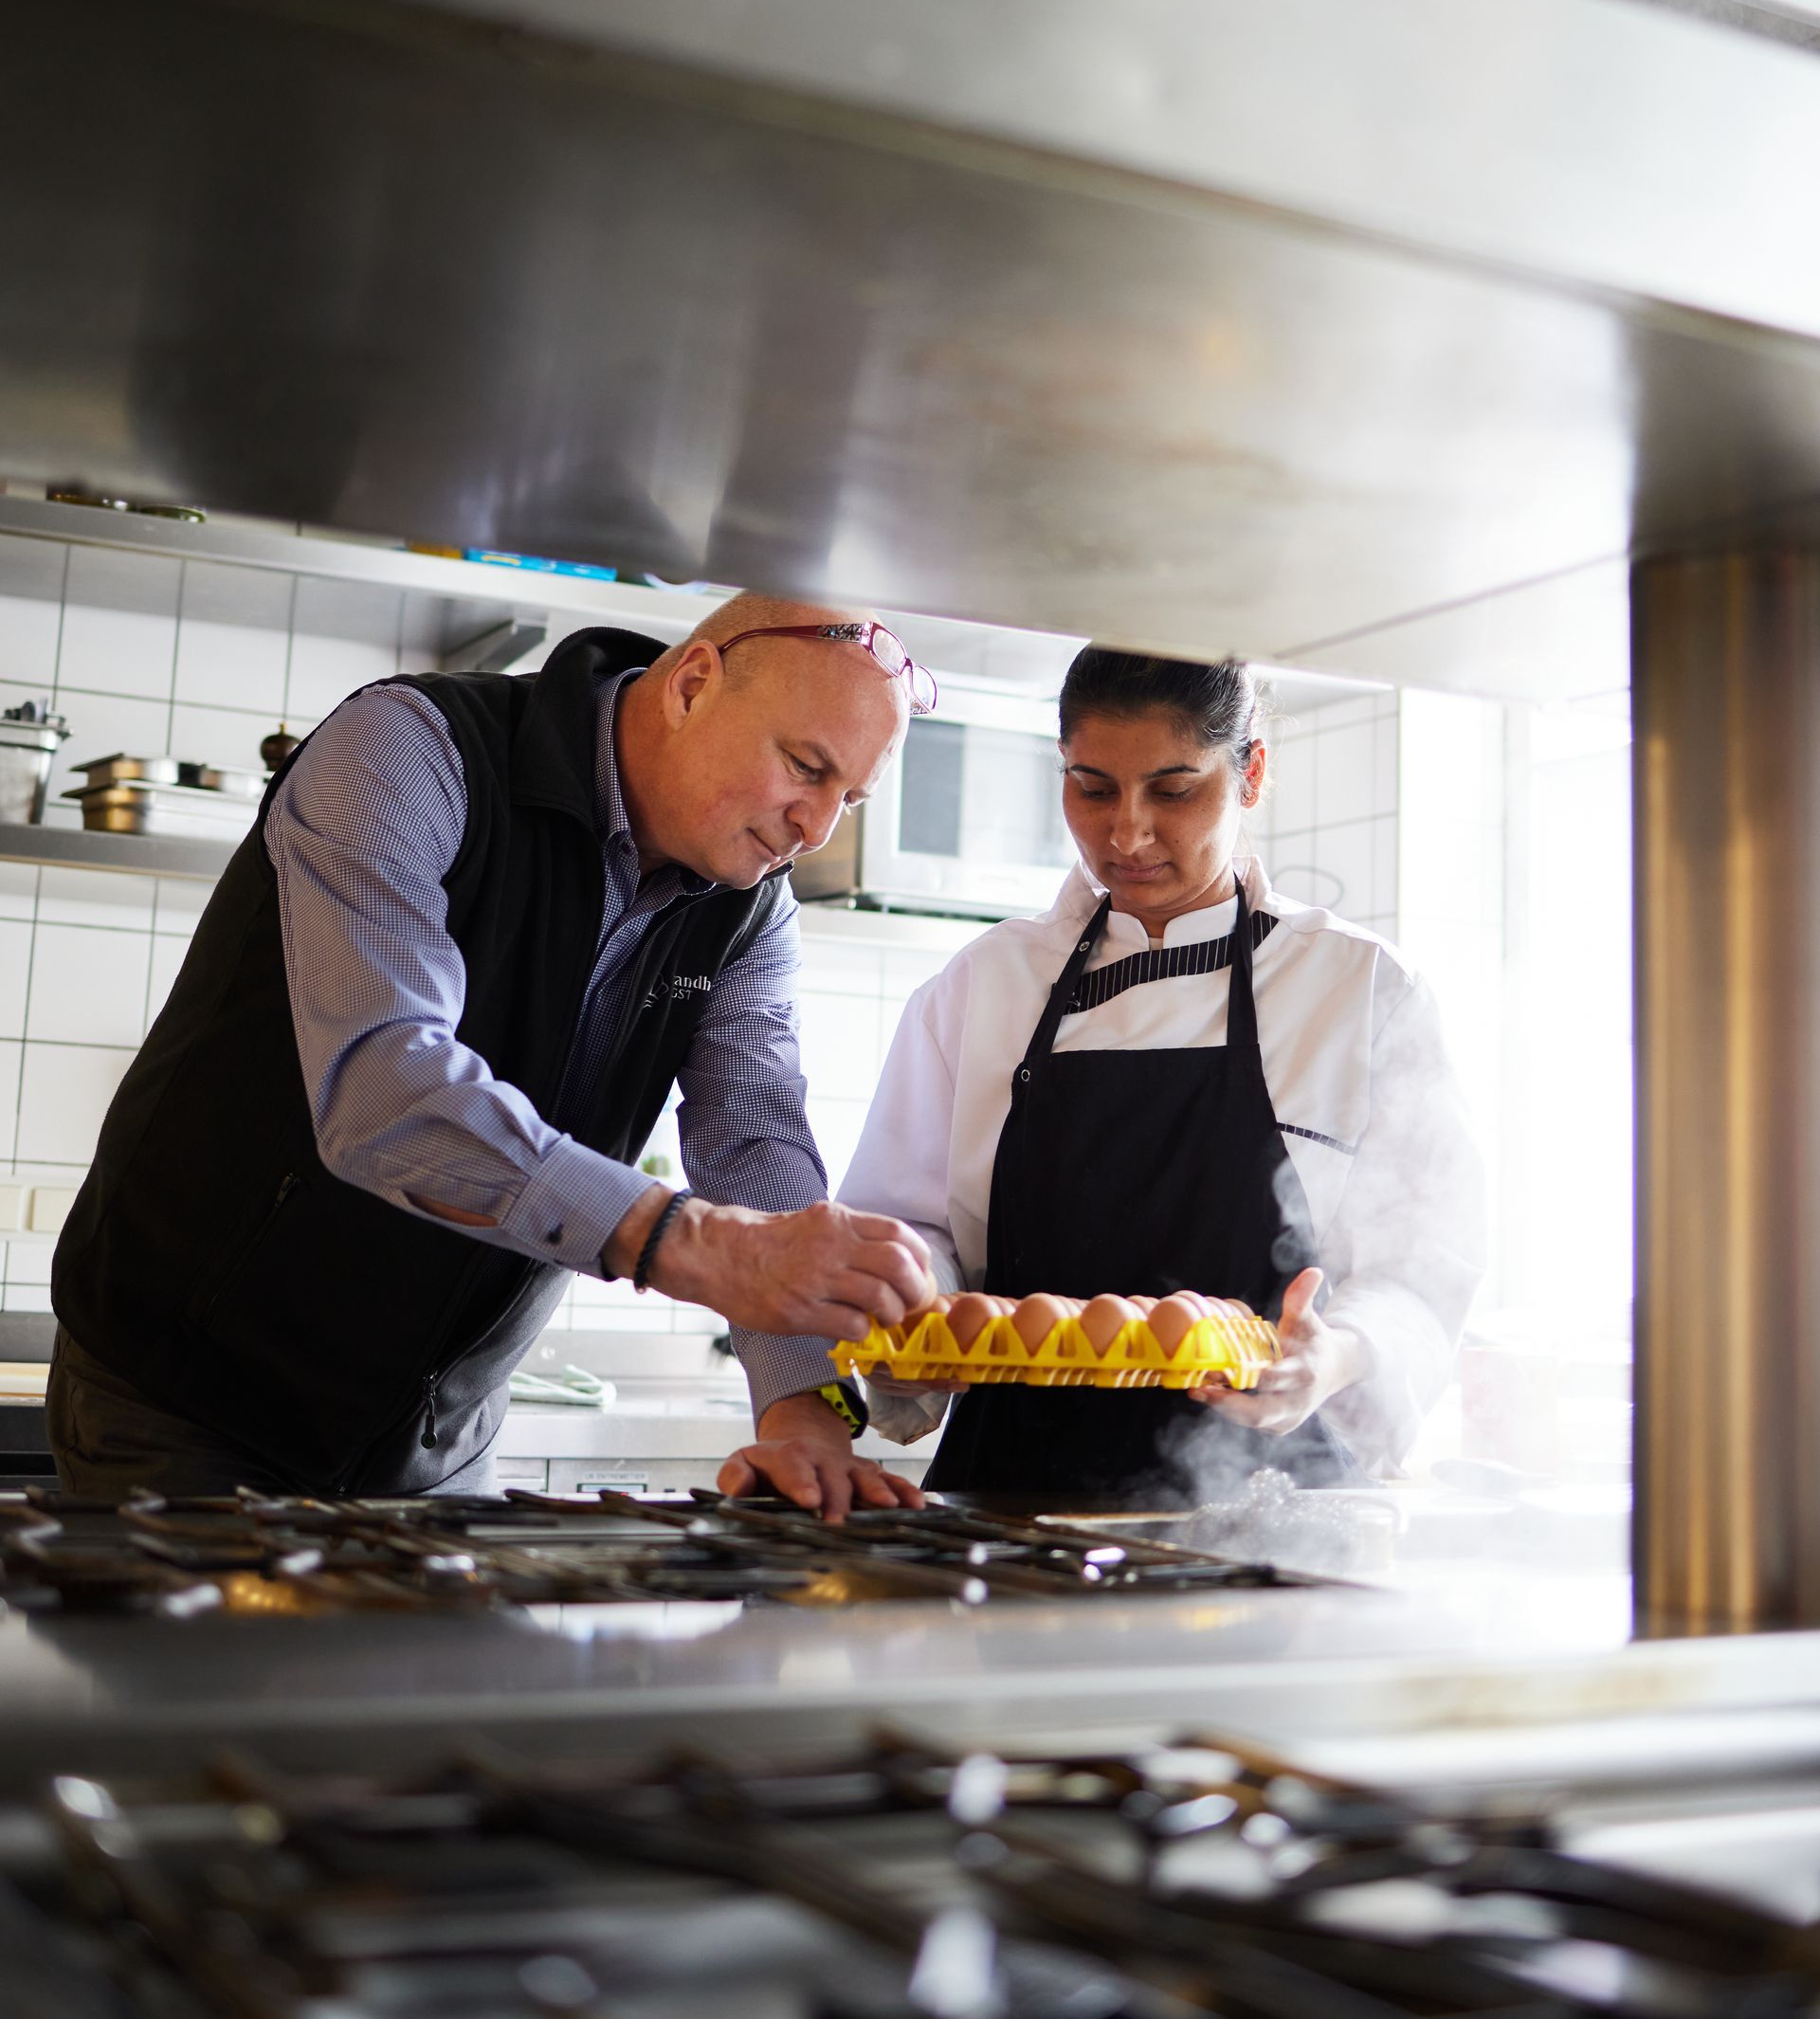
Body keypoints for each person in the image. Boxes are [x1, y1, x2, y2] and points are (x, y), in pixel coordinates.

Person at [48, 597, 940, 1509]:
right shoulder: (405, 749)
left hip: (439, 1450)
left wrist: (805, 1406)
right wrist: (682, 1240)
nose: (818, 827)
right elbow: (383, 1083)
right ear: (695, 684)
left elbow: (753, 1138)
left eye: (851, 798)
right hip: (187, 1407)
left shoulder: (750, 906)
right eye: (806, 766)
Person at [720, 647, 1483, 1508]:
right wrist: (916, 1297)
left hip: (1272, 1512)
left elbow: (1421, 1276)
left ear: (1251, 772)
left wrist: (1334, 1355)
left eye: (1174, 788)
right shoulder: (983, 986)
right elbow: (903, 1229)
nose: (1127, 833)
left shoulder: (1359, 989)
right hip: (1010, 1510)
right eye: (1092, 787)